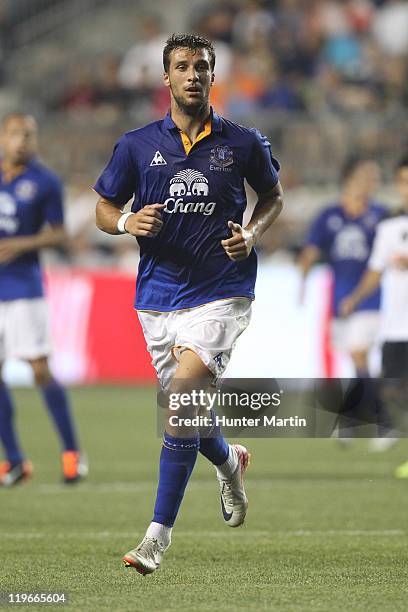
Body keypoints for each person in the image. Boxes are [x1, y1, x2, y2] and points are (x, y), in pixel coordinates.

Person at [94, 34, 283, 575]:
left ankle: (156, 538)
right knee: (189, 412)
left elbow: (272, 196)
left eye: (202, 66)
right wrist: (128, 221)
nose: (193, 74)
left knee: (179, 405)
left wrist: (251, 234)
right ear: (166, 78)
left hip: (222, 290)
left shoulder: (242, 142)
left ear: (213, 75)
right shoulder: (135, 144)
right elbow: (105, 206)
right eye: (182, 66)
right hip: (157, 297)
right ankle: (229, 460)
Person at [0, 113, 87, 486]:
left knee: (39, 369)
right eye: (17, 134)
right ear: (4, 137)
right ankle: (16, 460)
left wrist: (19, 244)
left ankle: (72, 453)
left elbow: (59, 235)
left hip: (24, 288)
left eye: (29, 135)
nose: (23, 141)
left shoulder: (45, 181)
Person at [298, 156, 392, 441]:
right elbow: (311, 250)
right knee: (355, 359)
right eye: (366, 176)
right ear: (350, 179)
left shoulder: (381, 216)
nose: (372, 182)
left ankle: (382, 421)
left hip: (371, 298)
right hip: (340, 301)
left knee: (358, 353)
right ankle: (354, 419)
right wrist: (301, 282)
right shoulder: (329, 216)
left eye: (374, 177)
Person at [340, 155, 408, 472]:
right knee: (392, 388)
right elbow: (376, 270)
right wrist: (355, 298)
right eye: (404, 182)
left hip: (392, 322)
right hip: (394, 325)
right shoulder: (390, 226)